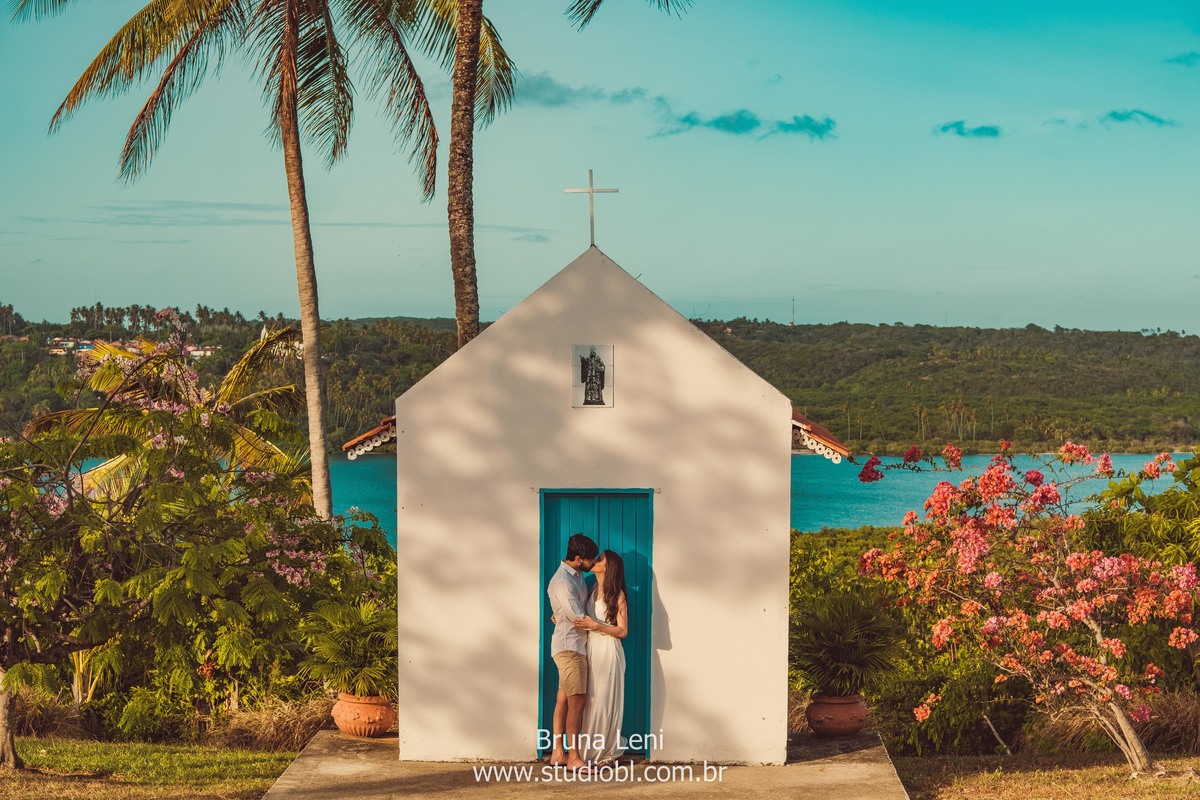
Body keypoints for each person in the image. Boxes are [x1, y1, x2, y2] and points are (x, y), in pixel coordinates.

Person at [546, 533, 599, 770]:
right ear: (578, 558)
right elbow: (578, 617)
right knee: (577, 702)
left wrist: (559, 615)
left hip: (573, 646)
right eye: (591, 560)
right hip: (570, 648)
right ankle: (574, 758)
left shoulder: (576, 577)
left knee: (563, 700)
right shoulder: (563, 582)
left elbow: (565, 612)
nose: (594, 563)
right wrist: (611, 627)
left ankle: (558, 753)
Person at [574, 549, 629, 766]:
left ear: (608, 567)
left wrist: (596, 626)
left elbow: (623, 631)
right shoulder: (593, 588)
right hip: (592, 649)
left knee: (605, 701)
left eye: (600, 559)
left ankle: (610, 753)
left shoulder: (617, 594)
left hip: (608, 650)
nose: (595, 561)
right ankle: (590, 752)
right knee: (592, 701)